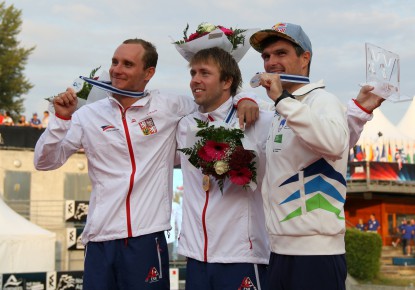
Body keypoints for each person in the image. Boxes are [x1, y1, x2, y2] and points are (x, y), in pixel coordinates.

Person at [34, 38, 258, 290]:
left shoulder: (169, 106)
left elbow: (216, 96)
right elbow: (45, 162)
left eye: (128, 64)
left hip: (147, 237)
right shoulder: (88, 114)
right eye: (115, 62)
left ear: (148, 73)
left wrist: (247, 98)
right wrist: (61, 120)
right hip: (100, 237)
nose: (117, 69)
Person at [250, 22, 351, 290]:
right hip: (279, 250)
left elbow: (335, 143)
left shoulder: (322, 100)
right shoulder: (281, 108)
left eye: (281, 53)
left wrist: (283, 101)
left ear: (305, 58)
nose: (271, 62)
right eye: (266, 56)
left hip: (316, 255)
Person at [177, 47, 272, 290]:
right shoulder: (185, 125)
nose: (195, 80)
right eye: (193, 73)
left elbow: (280, 112)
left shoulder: (257, 119)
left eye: (205, 73)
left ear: (227, 81)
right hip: (197, 256)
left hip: (242, 256)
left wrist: (248, 97)